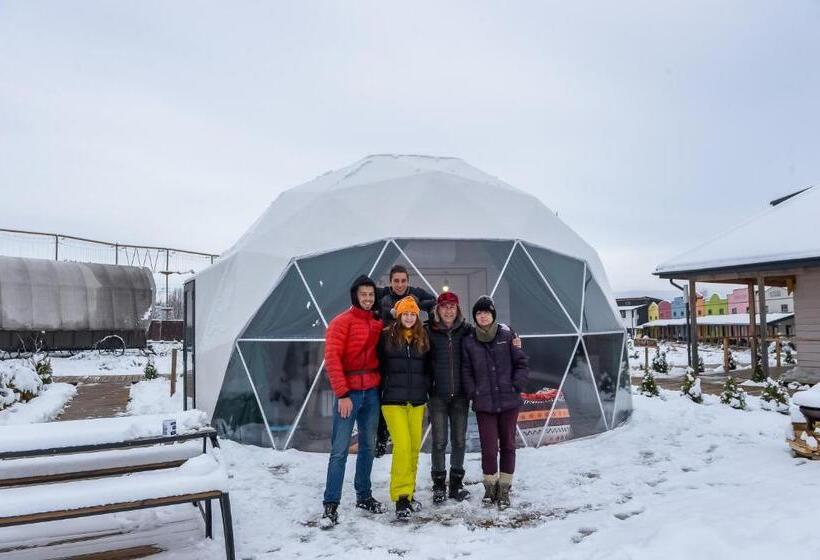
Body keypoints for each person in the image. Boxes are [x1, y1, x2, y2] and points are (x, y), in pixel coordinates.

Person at [320, 275, 385, 528]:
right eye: (363, 295)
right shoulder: (341, 322)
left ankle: (364, 495)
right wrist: (343, 394)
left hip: (371, 391)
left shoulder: (377, 323)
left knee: (368, 446)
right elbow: (332, 359)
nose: (367, 299)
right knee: (339, 450)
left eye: (371, 295)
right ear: (355, 296)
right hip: (349, 393)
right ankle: (331, 503)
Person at [461, 295, 529, 510]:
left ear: (493, 315)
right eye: (479, 313)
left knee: (508, 445)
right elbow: (466, 370)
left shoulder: (508, 334)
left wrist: (516, 385)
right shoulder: (469, 340)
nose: (483, 316)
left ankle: (505, 488)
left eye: (486, 312)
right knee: (489, 448)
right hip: (485, 404)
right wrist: (474, 392)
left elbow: (521, 363)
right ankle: (490, 488)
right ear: (475, 317)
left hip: (508, 401)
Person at [378, 296, 431, 520]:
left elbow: (428, 367)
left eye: (413, 313)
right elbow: (377, 363)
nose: (409, 317)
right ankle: (400, 496)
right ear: (398, 315)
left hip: (417, 400)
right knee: (402, 446)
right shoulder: (386, 336)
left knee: (413, 449)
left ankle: (409, 493)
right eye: (405, 313)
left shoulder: (422, 337)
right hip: (392, 400)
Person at [375, 264, 436, 457]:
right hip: (390, 348)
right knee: (386, 393)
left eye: (403, 281)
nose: (400, 285)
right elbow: (366, 297)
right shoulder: (384, 294)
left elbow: (433, 301)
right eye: (396, 281)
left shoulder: (414, 292)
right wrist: (389, 313)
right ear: (390, 281)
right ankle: (381, 437)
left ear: (408, 282)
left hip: (409, 346)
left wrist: (416, 303)